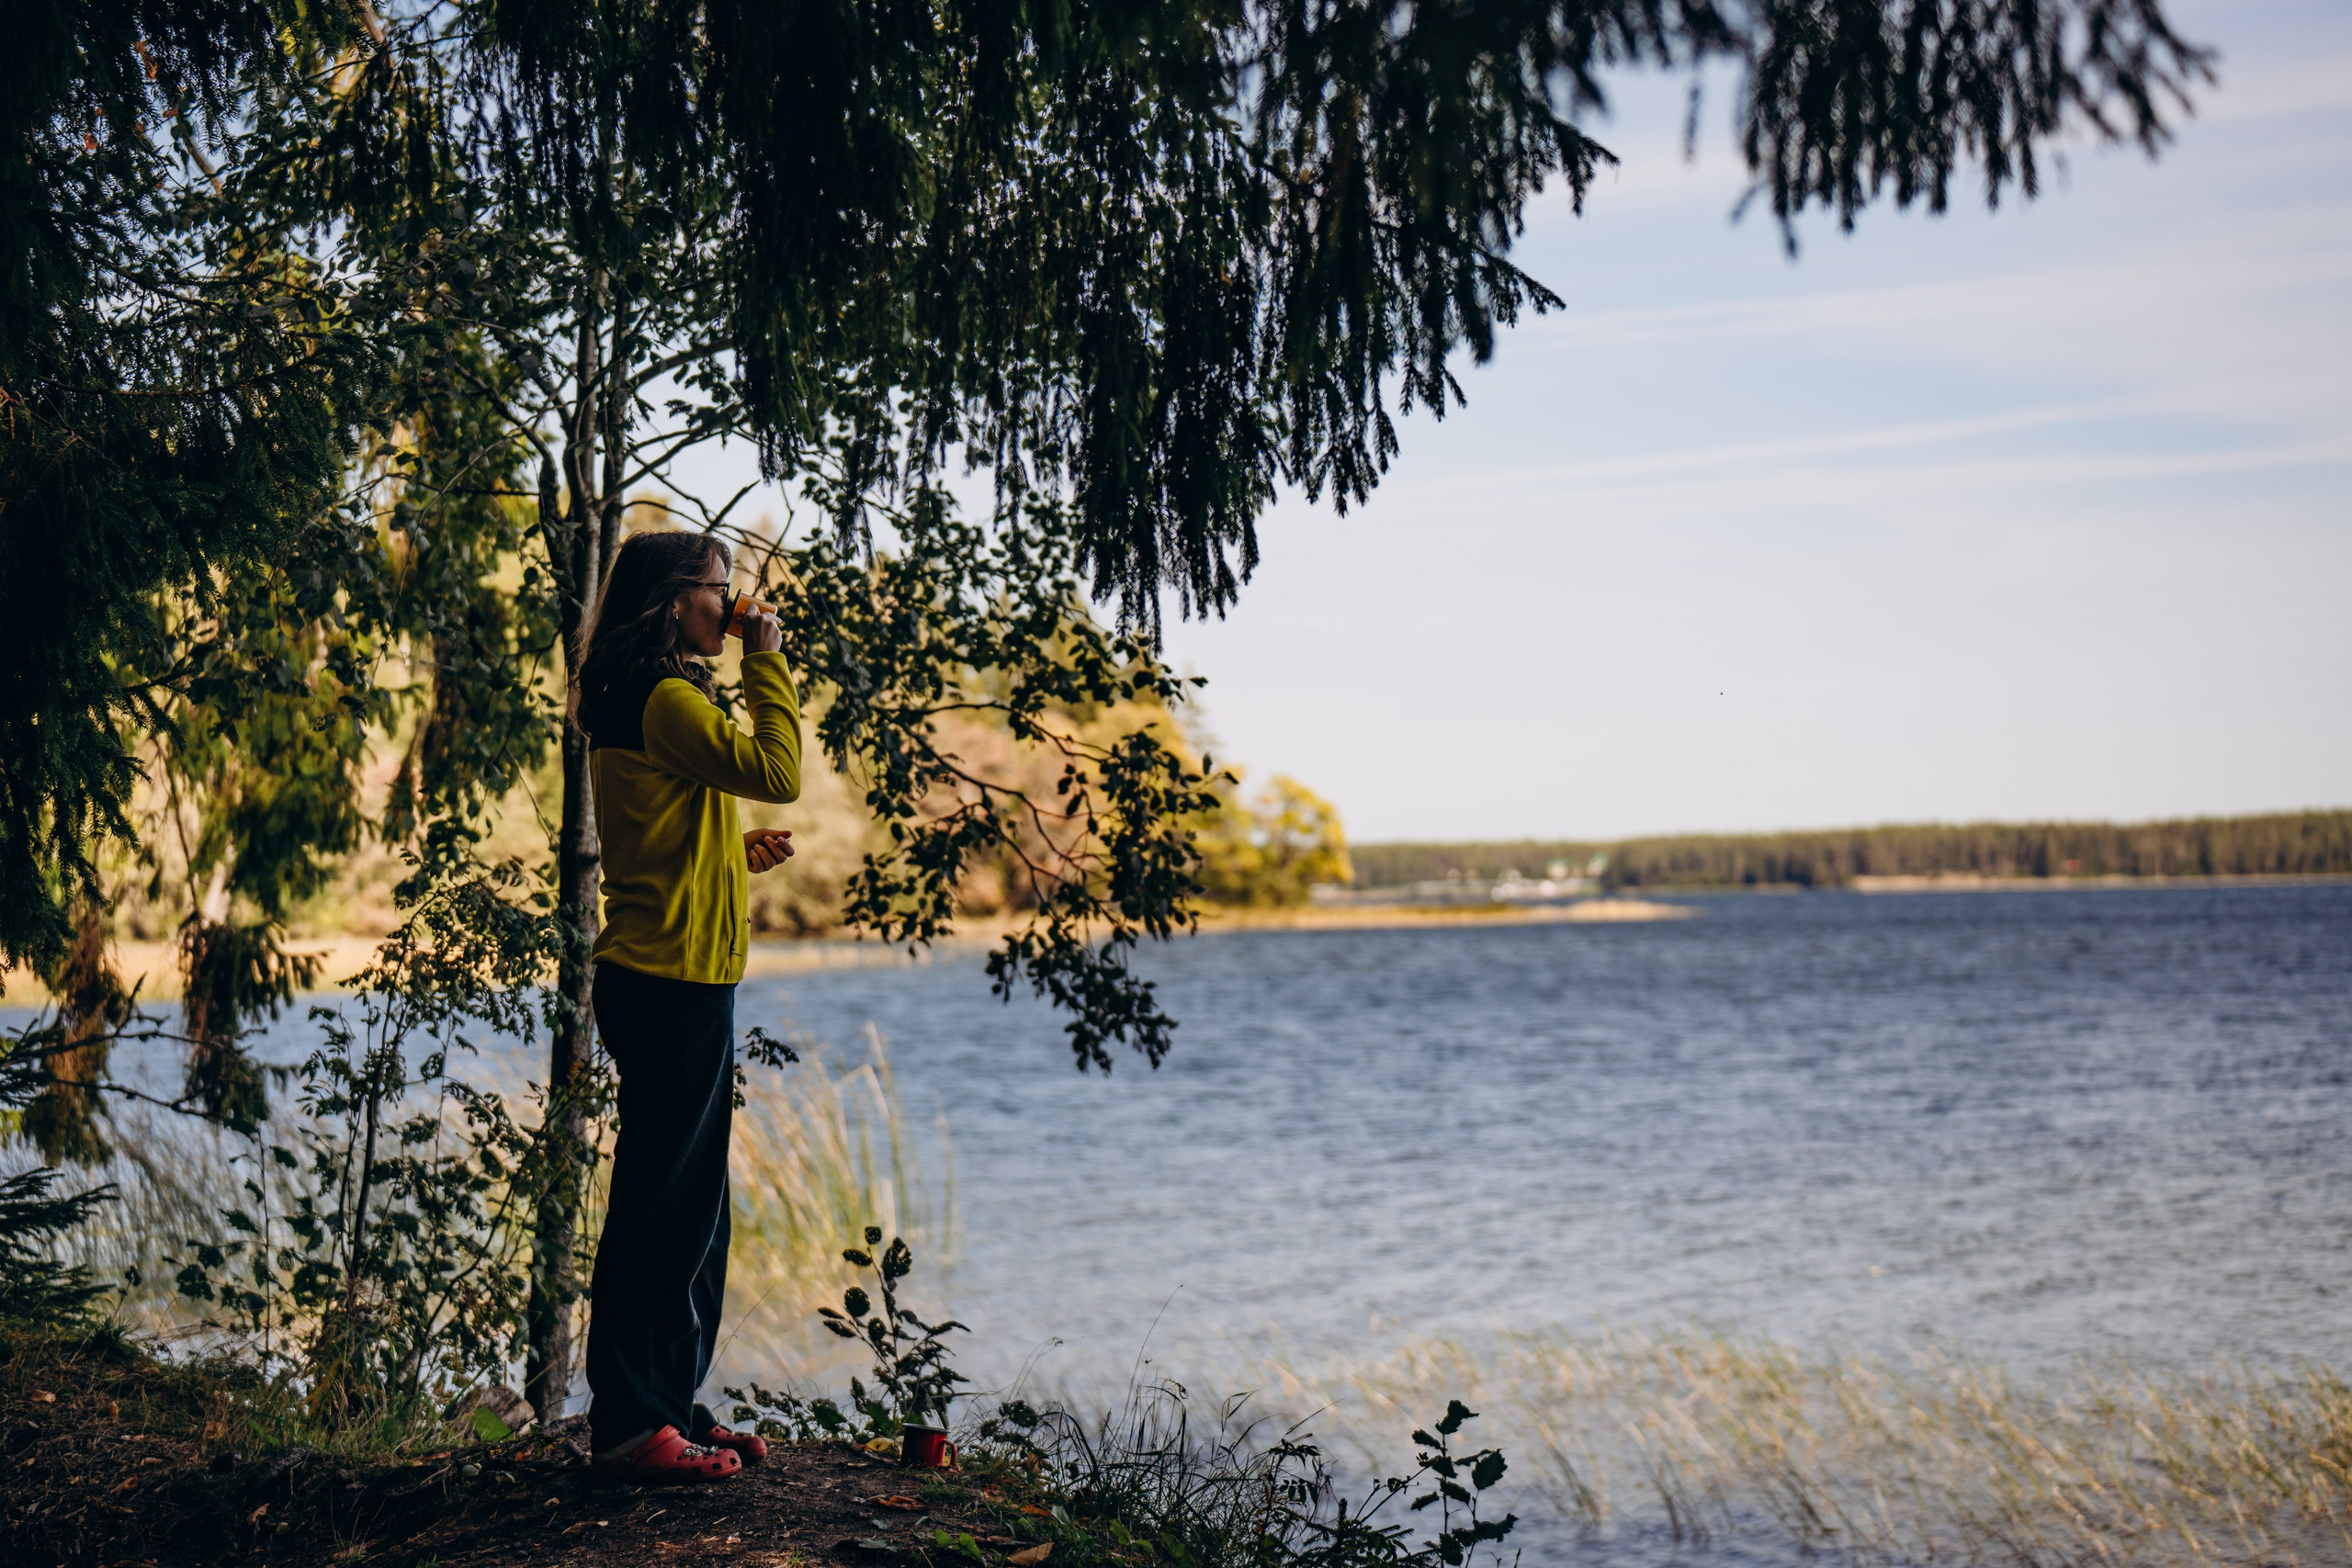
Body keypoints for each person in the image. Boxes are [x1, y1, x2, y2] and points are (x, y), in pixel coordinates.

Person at [571, 529, 801, 1484]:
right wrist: (770, 661)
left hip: (669, 974)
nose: (733, 605)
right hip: (670, 983)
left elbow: (653, 833)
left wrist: (730, 855)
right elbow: (776, 771)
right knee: (666, 1212)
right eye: (720, 590)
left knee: (694, 1214)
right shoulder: (666, 697)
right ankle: (632, 1425)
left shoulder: (650, 697)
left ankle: (667, 1408)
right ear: (674, 601)